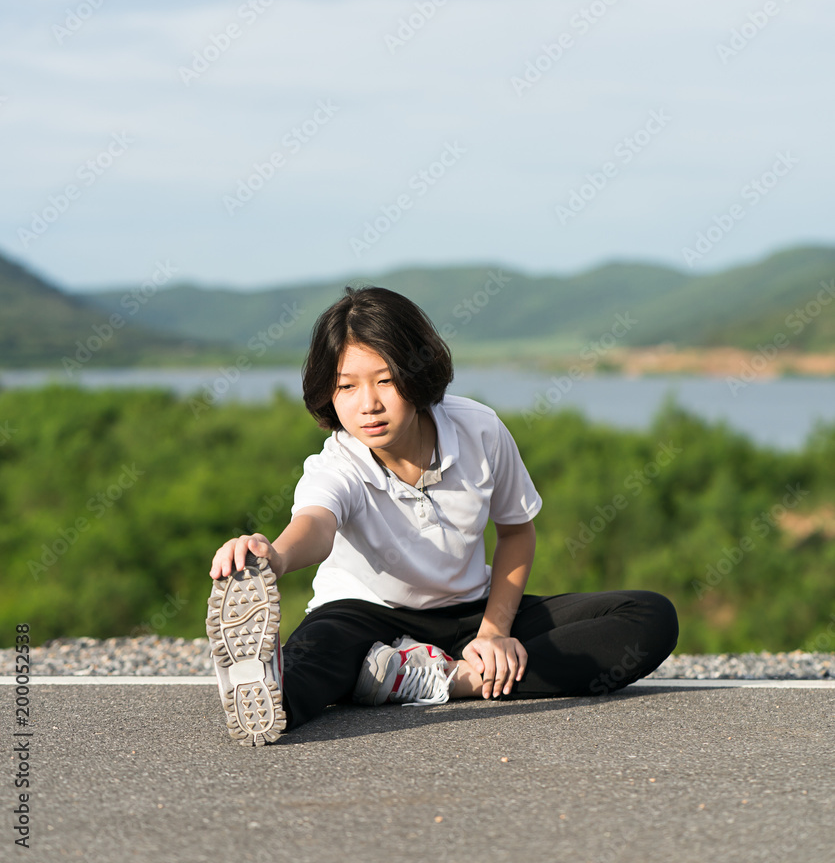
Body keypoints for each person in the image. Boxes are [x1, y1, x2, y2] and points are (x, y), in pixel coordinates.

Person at [207, 286, 678, 746]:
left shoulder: (479, 430)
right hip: (365, 618)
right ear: (328, 395)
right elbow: (315, 525)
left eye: (385, 380)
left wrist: (495, 632)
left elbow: (516, 532)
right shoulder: (336, 465)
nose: (367, 404)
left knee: (650, 617)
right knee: (293, 689)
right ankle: (394, 677)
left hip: (471, 614)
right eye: (346, 387)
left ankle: (432, 676)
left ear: (417, 371)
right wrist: (275, 557)